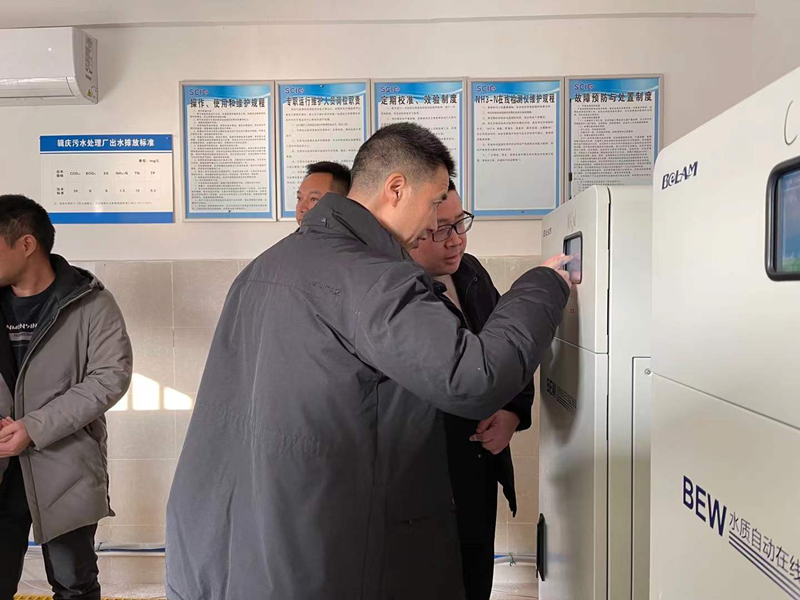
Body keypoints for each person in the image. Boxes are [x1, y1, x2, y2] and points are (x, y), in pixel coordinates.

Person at [166, 122, 572, 600]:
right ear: (396, 189)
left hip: (234, 540)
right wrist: (544, 284)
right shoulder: (373, 278)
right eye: (434, 202)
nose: (435, 221)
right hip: (319, 550)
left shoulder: (266, 266)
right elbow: (473, 377)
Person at [0, 195, 132, 600]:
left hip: (65, 466)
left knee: (74, 584)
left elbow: (110, 377)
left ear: (26, 243)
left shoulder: (90, 301)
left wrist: (34, 428)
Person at [409, 181, 532, 600]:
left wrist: (513, 413)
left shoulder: (471, 272)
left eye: (460, 223)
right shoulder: (396, 292)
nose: (456, 239)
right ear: (410, 229)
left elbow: (509, 350)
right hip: (425, 478)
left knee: (476, 575)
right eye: (441, 229)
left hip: (479, 464)